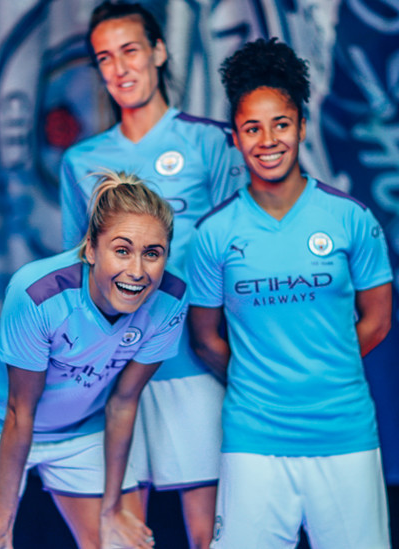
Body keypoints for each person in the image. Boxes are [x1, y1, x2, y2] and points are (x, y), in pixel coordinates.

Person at [187, 38, 394, 548]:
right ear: (234, 139)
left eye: (280, 123)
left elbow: (378, 319)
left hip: (344, 436)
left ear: (301, 126)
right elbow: (205, 338)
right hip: (254, 441)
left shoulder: (350, 219)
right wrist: (263, 376)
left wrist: (323, 366)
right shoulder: (214, 233)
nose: (268, 139)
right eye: (251, 127)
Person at [59, 4, 247, 547]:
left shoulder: (211, 142)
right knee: (122, 537)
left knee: (212, 535)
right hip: (114, 376)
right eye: (105, 58)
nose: (120, 68)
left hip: (195, 369)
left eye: (131, 50)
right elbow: (78, 270)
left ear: (159, 52)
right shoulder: (82, 161)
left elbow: (239, 255)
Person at [0, 172, 186, 549]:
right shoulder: (37, 293)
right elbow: (19, 409)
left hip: (80, 425)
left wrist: (111, 509)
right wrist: (2, 516)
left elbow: (124, 402)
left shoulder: (171, 299)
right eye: (122, 250)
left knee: (120, 541)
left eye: (152, 253)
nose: (137, 271)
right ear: (90, 249)